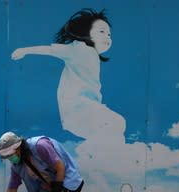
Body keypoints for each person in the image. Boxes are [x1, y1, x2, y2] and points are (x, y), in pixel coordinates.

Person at [11, 8, 126, 144]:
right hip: (77, 108)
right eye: (102, 31)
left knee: (114, 130)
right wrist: (24, 51)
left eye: (109, 34)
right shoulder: (78, 48)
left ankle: (99, 156)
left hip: (86, 111)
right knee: (117, 122)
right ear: (86, 33)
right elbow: (50, 50)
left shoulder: (92, 55)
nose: (107, 36)